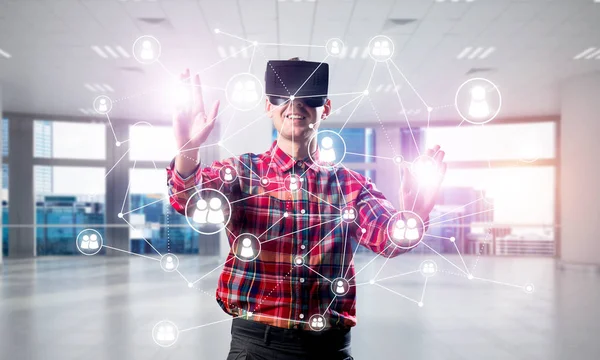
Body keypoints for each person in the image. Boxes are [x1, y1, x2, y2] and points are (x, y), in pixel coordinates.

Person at [167, 60, 446, 359]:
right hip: (257, 347)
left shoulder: (350, 186)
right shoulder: (241, 173)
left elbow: (387, 239)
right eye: (283, 96)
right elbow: (192, 201)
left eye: (306, 97)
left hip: (329, 350)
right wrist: (187, 153)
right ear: (268, 106)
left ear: (325, 108)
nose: (294, 105)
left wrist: (414, 216)